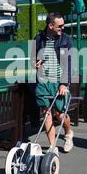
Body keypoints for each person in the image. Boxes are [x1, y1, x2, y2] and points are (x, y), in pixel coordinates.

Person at [33, 12, 74, 154]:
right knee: (47, 113)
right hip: (43, 81)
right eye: (60, 25)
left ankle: (68, 133)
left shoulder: (66, 39)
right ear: (51, 25)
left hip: (58, 82)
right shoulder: (38, 38)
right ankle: (52, 146)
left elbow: (69, 63)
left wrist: (64, 84)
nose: (62, 28)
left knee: (60, 114)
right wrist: (36, 62)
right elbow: (33, 58)